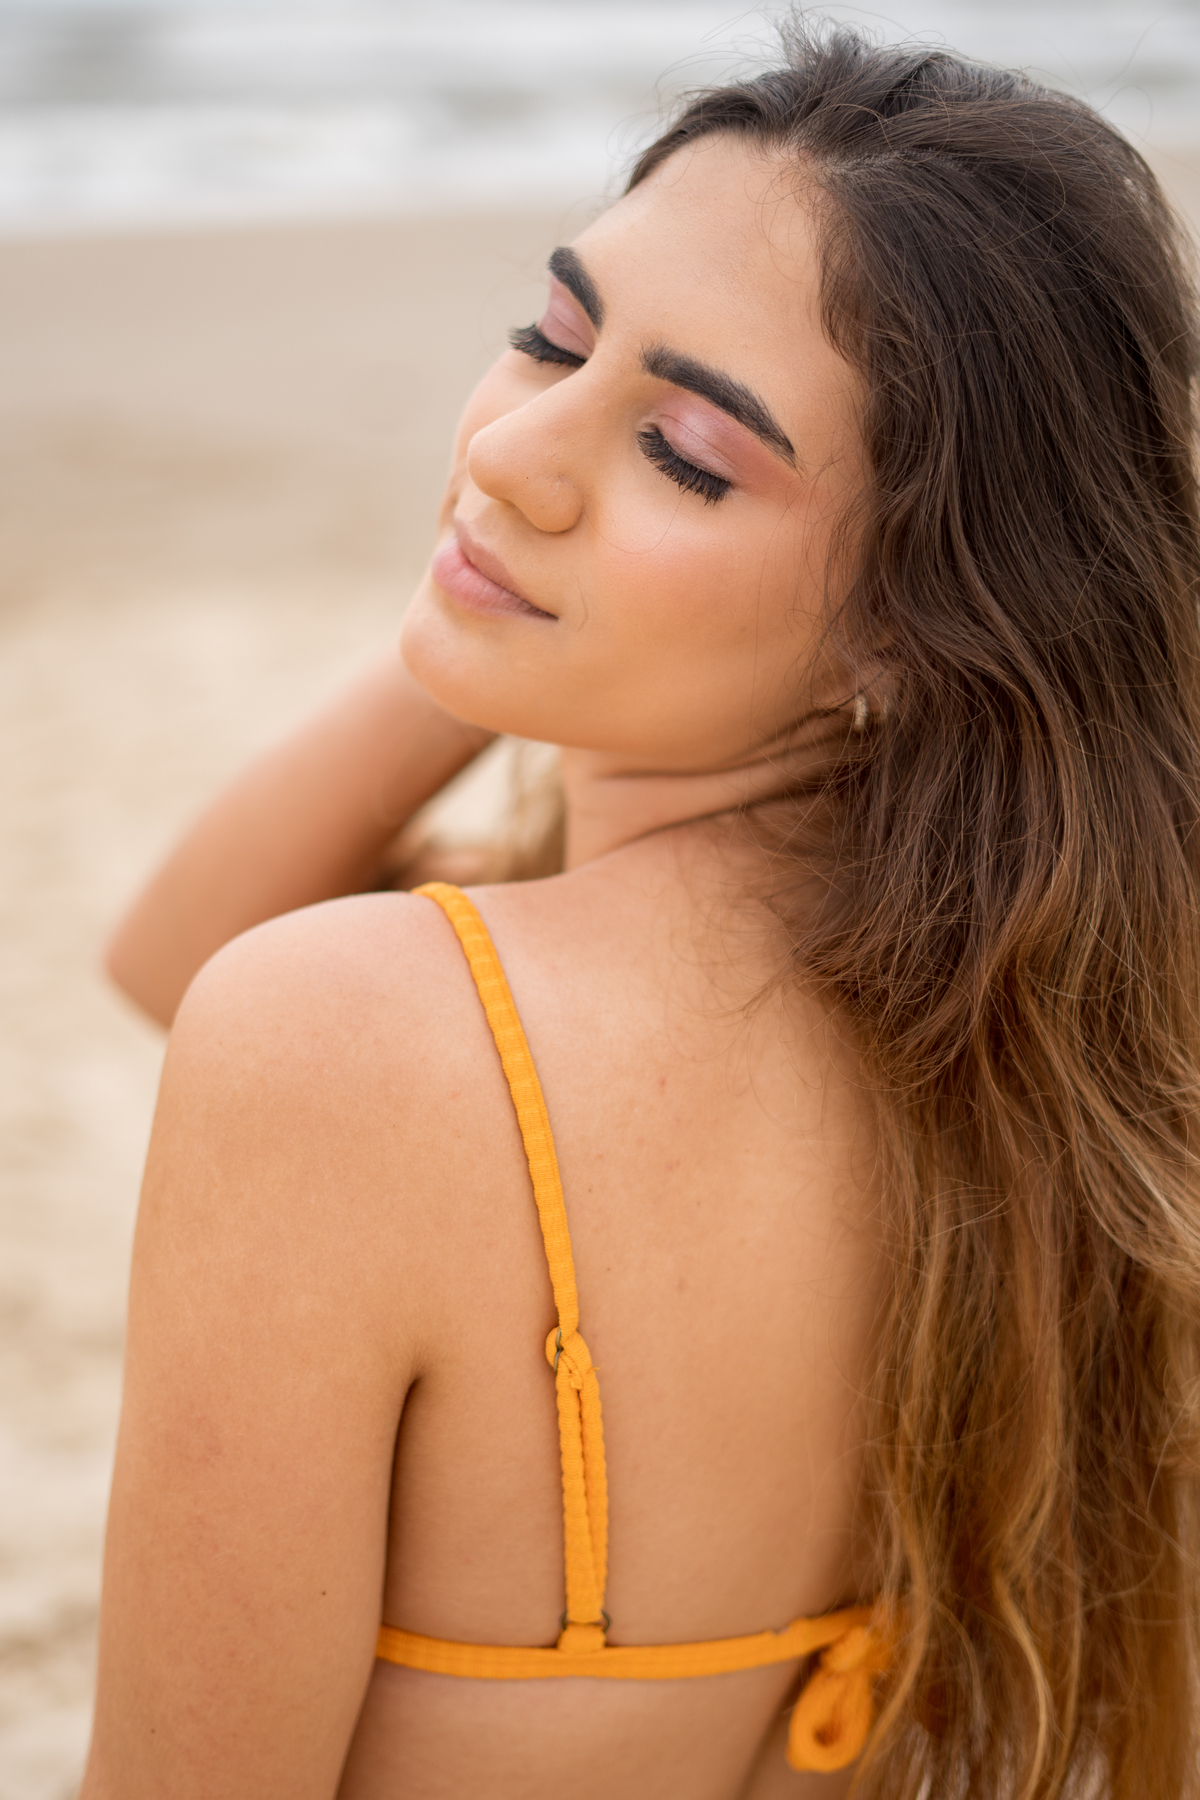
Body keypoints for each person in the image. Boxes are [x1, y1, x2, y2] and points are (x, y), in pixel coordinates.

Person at [81, 23, 1200, 1800]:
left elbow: (191, 973)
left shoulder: (357, 1045)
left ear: (914, 622)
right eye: (549, 329)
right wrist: (510, 580)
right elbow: (175, 953)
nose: (519, 441)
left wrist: (508, 574)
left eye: (686, 451)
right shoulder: (1043, 1041)